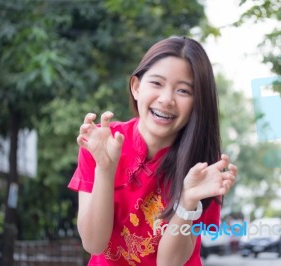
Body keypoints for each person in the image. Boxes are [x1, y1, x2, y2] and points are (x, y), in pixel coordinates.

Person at [68, 36, 237, 266]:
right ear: (136, 87)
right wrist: (105, 168)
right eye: (156, 83)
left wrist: (187, 201)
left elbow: (169, 263)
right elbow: (93, 244)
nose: (166, 99)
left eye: (184, 91)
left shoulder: (205, 170)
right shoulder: (100, 143)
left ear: (198, 103)